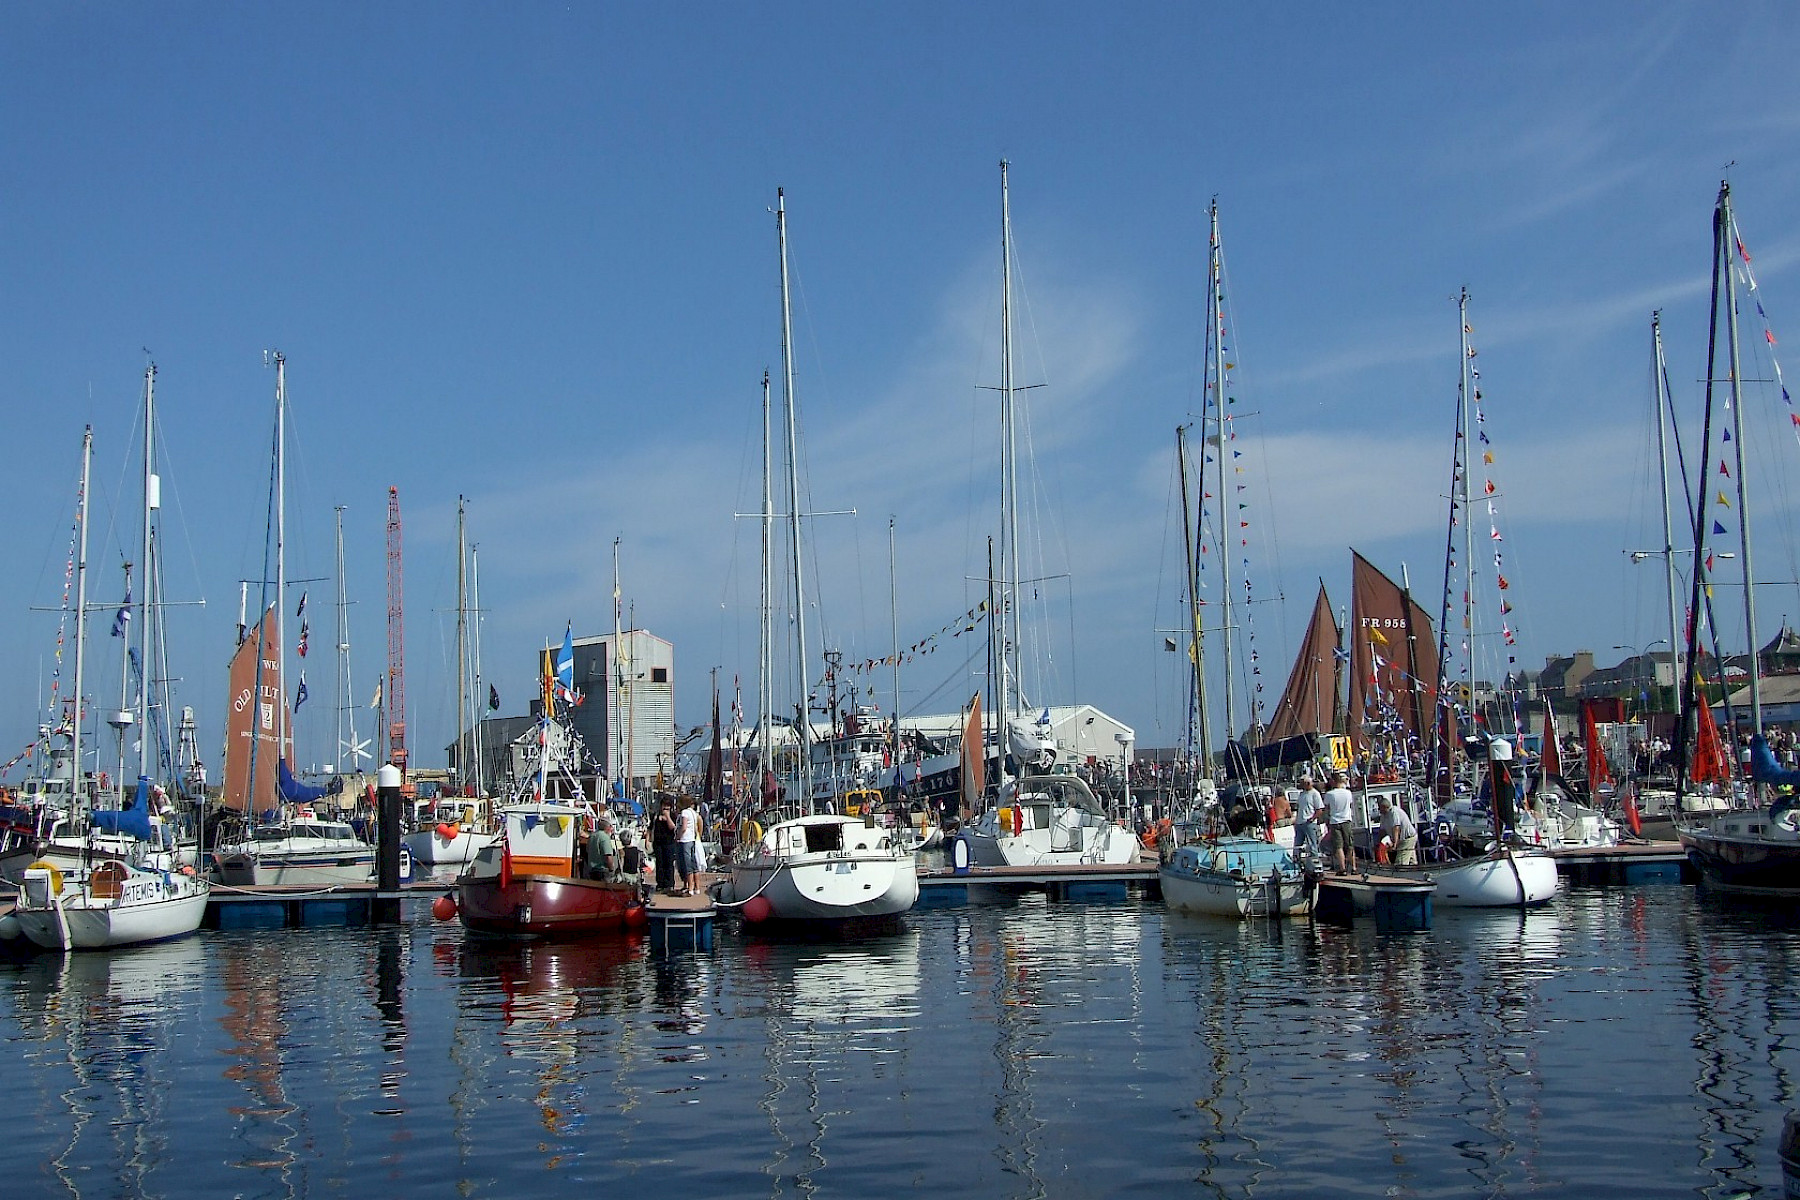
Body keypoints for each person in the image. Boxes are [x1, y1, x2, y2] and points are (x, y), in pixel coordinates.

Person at [1323, 771, 1357, 874]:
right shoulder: (1348, 793)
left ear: (1333, 781)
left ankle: (1342, 869)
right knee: (1350, 845)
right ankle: (1354, 868)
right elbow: (1350, 805)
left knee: (1339, 846)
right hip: (1346, 820)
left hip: (1334, 821)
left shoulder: (1329, 794)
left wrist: (1326, 822)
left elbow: (1327, 809)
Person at [1375, 793, 1418, 866]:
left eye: (1380, 808)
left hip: (1407, 838)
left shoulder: (1394, 812)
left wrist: (1395, 844)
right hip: (1403, 839)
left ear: (1384, 807)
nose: (1379, 810)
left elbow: (1396, 828)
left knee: (1400, 862)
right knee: (1411, 860)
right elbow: (1382, 830)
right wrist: (1378, 843)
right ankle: (1414, 869)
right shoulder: (1383, 816)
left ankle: (1401, 874)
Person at [1290, 773, 1322, 861]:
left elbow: (1319, 809)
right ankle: (1296, 860)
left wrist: (1312, 819)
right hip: (1299, 822)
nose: (1300, 785)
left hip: (1309, 823)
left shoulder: (1315, 794)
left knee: (1312, 844)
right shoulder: (1301, 794)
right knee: (1297, 845)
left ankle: (1314, 860)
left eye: (1302, 783)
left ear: (1307, 783)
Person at [651, 798, 679, 893]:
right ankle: (660, 884)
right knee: (659, 864)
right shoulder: (655, 815)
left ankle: (669, 884)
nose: (665, 809)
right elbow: (651, 828)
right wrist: (648, 840)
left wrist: (667, 817)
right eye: (664, 807)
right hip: (658, 843)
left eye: (667, 808)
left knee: (669, 864)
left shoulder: (673, 816)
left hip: (669, 843)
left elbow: (673, 827)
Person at [676, 796, 701, 897]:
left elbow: (684, 826)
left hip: (685, 840)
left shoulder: (684, 813)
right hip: (692, 839)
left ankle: (690, 888)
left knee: (687, 864)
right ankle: (697, 887)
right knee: (694, 863)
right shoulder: (693, 812)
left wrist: (678, 836)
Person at [585, 810, 619, 881]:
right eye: (611, 826)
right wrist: (611, 869)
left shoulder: (592, 835)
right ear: (607, 827)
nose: (612, 829)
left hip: (592, 870)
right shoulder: (605, 837)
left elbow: (587, 851)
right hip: (602, 871)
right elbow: (608, 856)